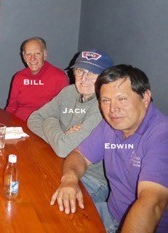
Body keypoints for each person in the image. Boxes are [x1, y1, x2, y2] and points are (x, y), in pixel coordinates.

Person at [50, 65, 168, 232]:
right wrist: (70, 180)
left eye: (122, 99)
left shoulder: (162, 135)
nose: (113, 109)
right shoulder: (110, 125)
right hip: (111, 214)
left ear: (145, 97)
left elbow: (151, 204)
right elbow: (79, 156)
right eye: (106, 100)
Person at [28, 49, 113, 202]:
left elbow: (63, 149)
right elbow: (34, 118)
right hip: (60, 164)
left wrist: (50, 123)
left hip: (90, 179)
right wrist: (60, 131)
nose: (84, 78)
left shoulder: (105, 105)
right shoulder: (68, 92)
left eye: (92, 73)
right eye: (80, 70)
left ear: (105, 79)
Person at [5, 37, 69, 121]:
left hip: (44, 124)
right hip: (18, 124)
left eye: (37, 53)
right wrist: (5, 122)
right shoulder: (19, 77)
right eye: (28, 54)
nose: (32, 58)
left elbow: (64, 109)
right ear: (24, 56)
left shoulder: (59, 77)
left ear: (45, 54)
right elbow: (12, 106)